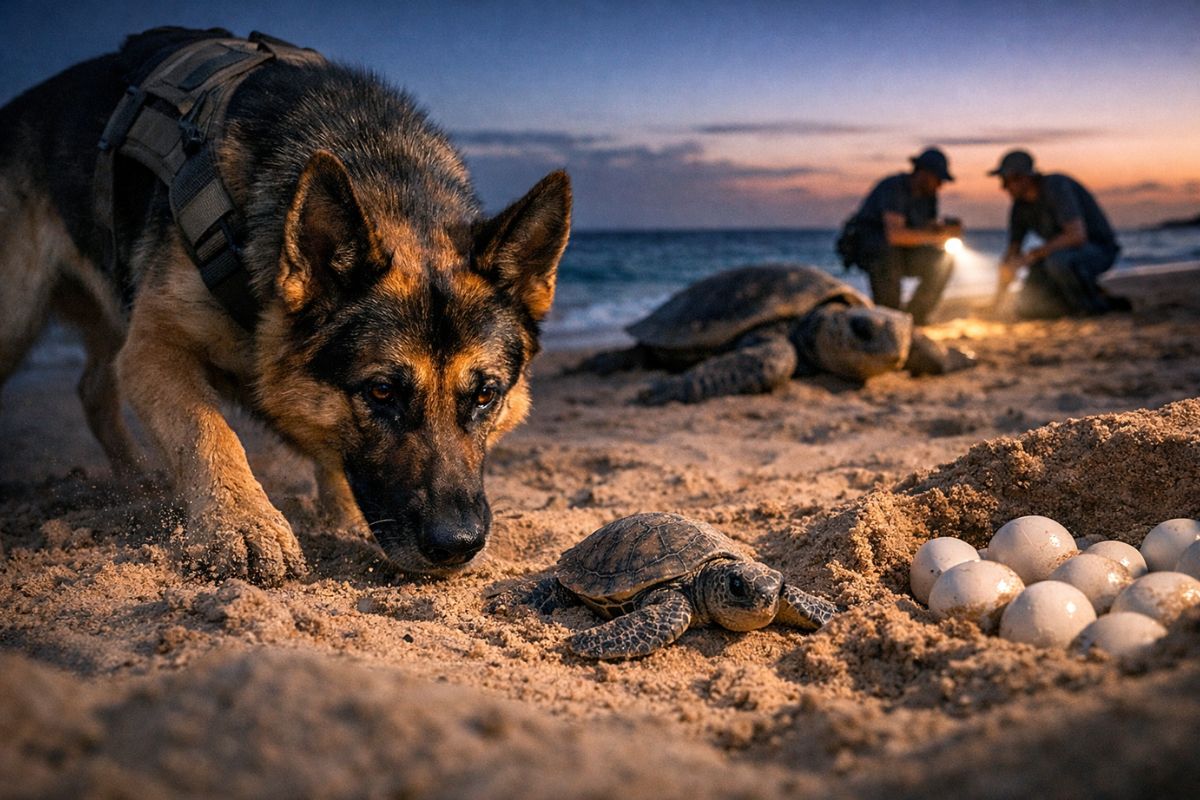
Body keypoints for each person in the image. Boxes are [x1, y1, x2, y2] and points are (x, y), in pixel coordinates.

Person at [989, 149, 1123, 317]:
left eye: (1006, 181)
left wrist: (1034, 255)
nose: (1003, 187)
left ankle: (1091, 306)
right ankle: (1085, 299)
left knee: (1058, 261)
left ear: (1023, 177)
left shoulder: (1056, 187)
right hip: (1057, 256)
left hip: (1098, 250)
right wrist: (997, 300)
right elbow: (1012, 253)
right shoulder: (1019, 207)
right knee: (1029, 307)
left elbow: (1076, 236)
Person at [843, 147, 961, 325]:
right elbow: (895, 235)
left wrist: (944, 230)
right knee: (886, 255)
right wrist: (936, 237)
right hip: (874, 251)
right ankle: (889, 318)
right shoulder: (894, 187)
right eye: (937, 179)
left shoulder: (929, 197)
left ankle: (915, 319)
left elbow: (925, 229)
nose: (940, 185)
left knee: (942, 261)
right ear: (923, 173)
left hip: (902, 252)